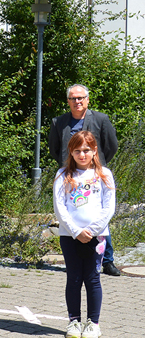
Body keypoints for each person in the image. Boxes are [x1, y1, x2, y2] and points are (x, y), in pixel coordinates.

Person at [49, 84, 120, 276]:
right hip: (70, 177)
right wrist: (70, 167)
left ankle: (107, 260)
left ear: (87, 99)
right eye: (73, 98)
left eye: (81, 98)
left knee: (99, 215)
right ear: (68, 101)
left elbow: (111, 145)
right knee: (72, 214)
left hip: (95, 175)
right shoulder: (59, 122)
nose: (77, 101)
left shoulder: (100, 119)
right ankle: (74, 257)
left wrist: (97, 165)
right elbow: (55, 149)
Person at [53, 131, 115, 338]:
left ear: (94, 151)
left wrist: (93, 230)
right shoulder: (63, 175)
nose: (82, 155)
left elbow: (108, 207)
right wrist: (76, 231)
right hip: (69, 236)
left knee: (92, 278)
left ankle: (93, 324)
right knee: (74, 278)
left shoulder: (104, 174)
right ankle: (74, 321)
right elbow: (59, 206)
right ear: (71, 151)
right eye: (77, 150)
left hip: (97, 237)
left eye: (86, 150)